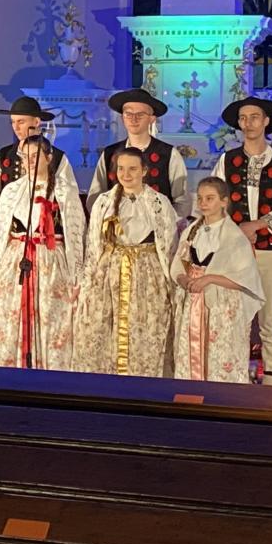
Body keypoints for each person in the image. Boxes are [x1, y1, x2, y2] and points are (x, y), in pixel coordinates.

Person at [210, 96, 272, 385]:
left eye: (254, 117)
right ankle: (236, 375)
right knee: (234, 314)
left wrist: (258, 225)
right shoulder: (227, 161)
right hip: (234, 252)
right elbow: (213, 200)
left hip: (270, 251)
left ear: (266, 121)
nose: (248, 123)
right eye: (243, 118)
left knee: (270, 317)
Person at [0, 137, 83, 370]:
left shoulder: (64, 191)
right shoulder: (12, 191)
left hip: (51, 262)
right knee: (9, 314)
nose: (29, 162)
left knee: (51, 317)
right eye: (25, 157)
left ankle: (48, 374)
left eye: (35, 157)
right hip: (16, 260)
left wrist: (78, 276)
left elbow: (76, 234)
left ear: (48, 158)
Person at [75, 147, 180, 377]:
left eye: (132, 169)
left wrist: (172, 286)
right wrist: (87, 282)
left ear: (144, 171)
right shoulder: (104, 202)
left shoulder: (159, 203)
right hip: (111, 272)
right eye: (121, 169)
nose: (126, 174)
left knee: (145, 328)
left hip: (147, 275)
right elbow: (93, 244)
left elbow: (169, 245)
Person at [171, 177, 262, 384]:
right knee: (191, 351)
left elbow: (246, 278)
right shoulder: (192, 231)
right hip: (193, 299)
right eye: (200, 198)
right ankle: (191, 390)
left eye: (210, 198)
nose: (203, 203)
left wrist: (210, 278)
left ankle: (221, 394)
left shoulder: (234, 236)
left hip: (222, 304)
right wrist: (183, 278)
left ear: (224, 201)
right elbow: (179, 262)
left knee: (220, 354)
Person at [87, 89, 187, 217]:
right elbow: (95, 197)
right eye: (128, 114)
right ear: (122, 118)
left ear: (152, 119)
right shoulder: (109, 154)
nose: (134, 119)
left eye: (140, 114)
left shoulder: (169, 154)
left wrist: (167, 224)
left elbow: (182, 201)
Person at [0, 96, 78, 222]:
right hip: (9, 226)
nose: (16, 127)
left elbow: (70, 196)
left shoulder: (56, 157)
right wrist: (1, 219)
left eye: (21, 122)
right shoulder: (5, 154)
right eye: (13, 122)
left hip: (45, 226)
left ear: (36, 122)